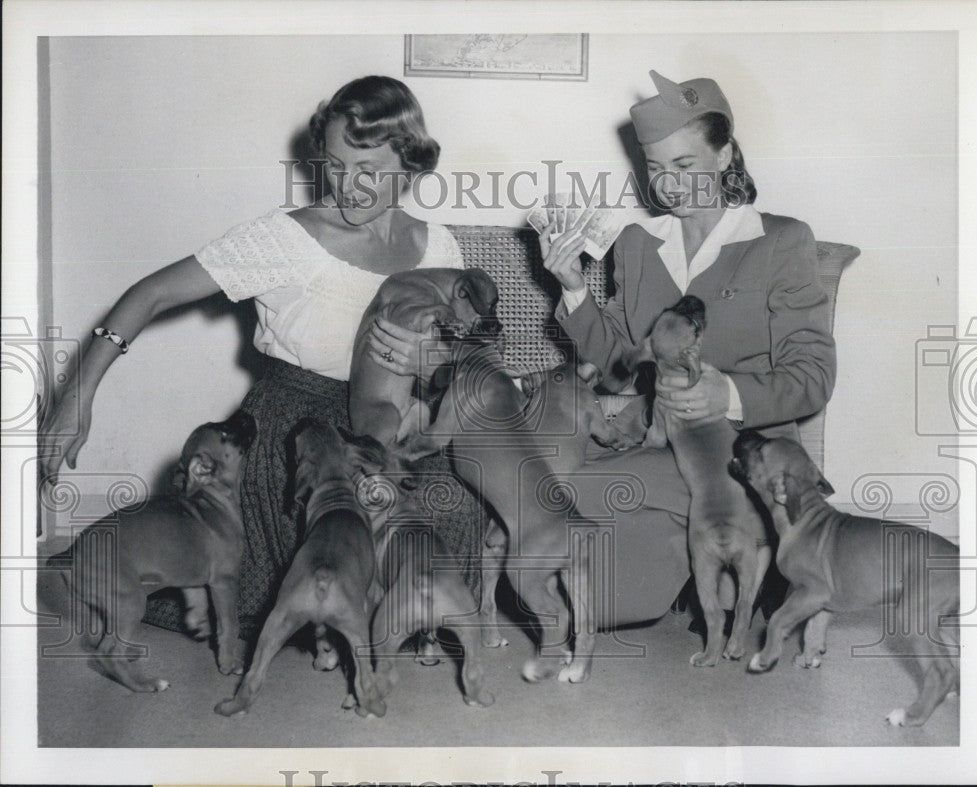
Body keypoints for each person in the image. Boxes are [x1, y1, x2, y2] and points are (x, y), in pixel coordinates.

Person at [39, 75, 485, 639]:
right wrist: (77, 394)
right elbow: (149, 294)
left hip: (395, 422)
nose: (347, 186)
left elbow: (465, 365)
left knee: (453, 504)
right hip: (294, 427)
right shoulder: (286, 239)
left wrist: (435, 365)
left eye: (367, 171)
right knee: (328, 528)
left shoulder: (441, 246)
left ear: (411, 166)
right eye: (336, 165)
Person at [541, 71, 836, 626]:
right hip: (655, 447)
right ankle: (682, 555)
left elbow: (814, 375)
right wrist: (575, 291)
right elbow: (619, 369)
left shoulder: (781, 241)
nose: (669, 185)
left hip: (740, 459)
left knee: (553, 498)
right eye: (656, 168)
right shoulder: (636, 242)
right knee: (584, 589)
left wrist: (729, 393)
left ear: (724, 156)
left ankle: (701, 551)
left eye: (684, 166)